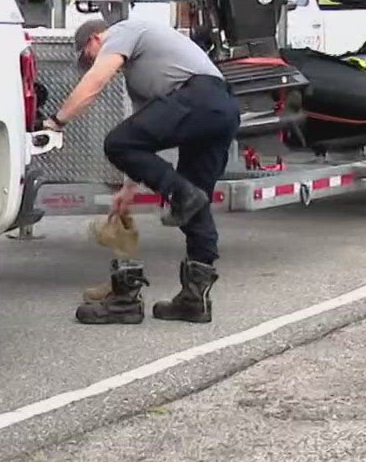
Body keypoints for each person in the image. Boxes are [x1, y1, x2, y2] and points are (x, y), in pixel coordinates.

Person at [45, 17, 240, 325]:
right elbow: (143, 136)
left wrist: (56, 121)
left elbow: (96, 82)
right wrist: (128, 189)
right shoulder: (141, 76)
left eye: (87, 56)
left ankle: (181, 192)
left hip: (199, 96)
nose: (90, 62)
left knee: (116, 143)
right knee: (195, 204)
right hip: (222, 110)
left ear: (95, 39)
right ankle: (195, 301)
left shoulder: (123, 32)